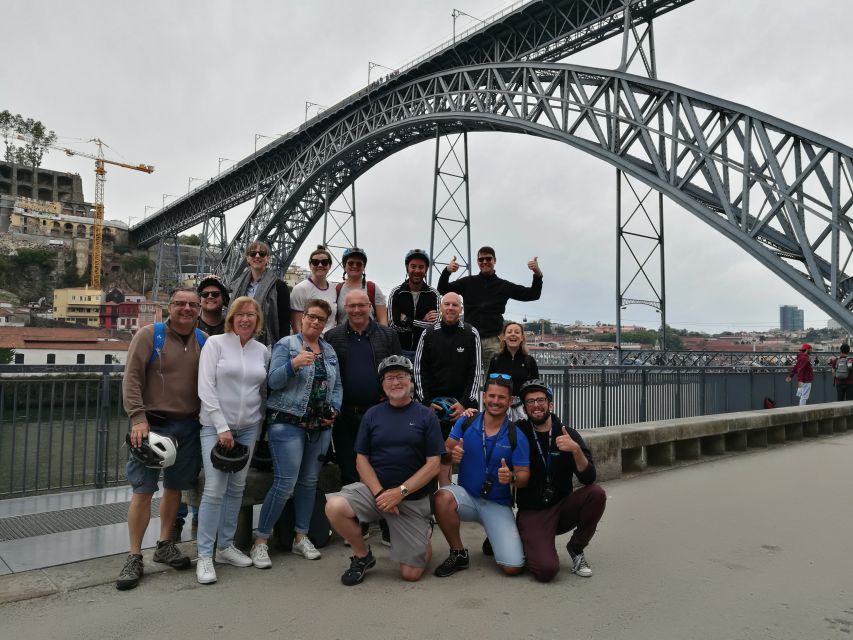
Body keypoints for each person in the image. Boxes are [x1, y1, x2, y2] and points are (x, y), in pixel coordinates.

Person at [326, 355, 444, 586]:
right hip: (376, 493)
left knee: (410, 574)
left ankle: (423, 532)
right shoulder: (372, 414)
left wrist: (399, 492)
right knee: (335, 506)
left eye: (401, 376)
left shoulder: (426, 416)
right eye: (389, 378)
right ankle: (362, 555)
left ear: (411, 382)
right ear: (382, 384)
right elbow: (361, 460)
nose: (395, 382)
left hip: (410, 499)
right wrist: (381, 494)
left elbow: (434, 464)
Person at [116, 288, 205, 591]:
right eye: (180, 303)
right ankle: (134, 555)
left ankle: (165, 544)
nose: (187, 309)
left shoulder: (204, 341)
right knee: (142, 490)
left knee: (174, 489)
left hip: (188, 427)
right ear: (170, 307)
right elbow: (131, 378)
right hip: (151, 426)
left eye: (193, 304)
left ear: (199, 308)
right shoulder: (148, 335)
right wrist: (137, 418)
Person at [251, 298, 342, 568]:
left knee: (308, 483)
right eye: (311, 316)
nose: (315, 322)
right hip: (287, 423)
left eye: (321, 319)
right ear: (302, 318)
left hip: (319, 427)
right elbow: (273, 382)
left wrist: (335, 408)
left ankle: (300, 537)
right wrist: (294, 365)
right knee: (285, 483)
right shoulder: (287, 345)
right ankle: (260, 541)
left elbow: (337, 387)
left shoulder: (329, 350)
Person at [195, 296, 270, 584]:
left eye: (251, 314)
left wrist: (258, 424)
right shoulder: (215, 344)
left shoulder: (261, 350)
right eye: (240, 314)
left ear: (257, 319)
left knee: (237, 487)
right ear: (232, 318)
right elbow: (206, 387)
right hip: (216, 428)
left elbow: (261, 391)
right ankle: (204, 554)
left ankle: (226, 546)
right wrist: (222, 427)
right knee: (214, 488)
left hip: (249, 427)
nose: (245, 319)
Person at [432, 375, 530, 577]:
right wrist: (451, 455)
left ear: (510, 401)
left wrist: (511, 477)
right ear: (484, 397)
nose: (495, 401)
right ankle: (458, 553)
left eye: (502, 397)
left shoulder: (516, 435)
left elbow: (524, 476)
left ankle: (496, 535)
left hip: (496, 503)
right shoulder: (466, 421)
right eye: (491, 396)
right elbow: (443, 456)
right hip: (467, 498)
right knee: (441, 499)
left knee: (513, 567)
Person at [515, 379, 606, 582]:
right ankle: (526, 540)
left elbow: (589, 477)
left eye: (540, 400)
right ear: (524, 408)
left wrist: (575, 450)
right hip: (533, 511)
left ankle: (576, 548)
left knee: (596, 494)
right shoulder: (518, 431)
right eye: (530, 402)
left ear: (550, 404)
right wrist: (466, 415)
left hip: (562, 506)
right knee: (546, 571)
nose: (536, 405)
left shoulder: (567, 433)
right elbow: (491, 425)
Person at [171, 273, 231, 542]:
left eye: (214, 295)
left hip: (215, 413)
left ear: (223, 299)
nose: (209, 298)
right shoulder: (187, 329)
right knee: (183, 467)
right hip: (187, 409)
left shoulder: (229, 332)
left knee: (205, 469)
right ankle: (175, 521)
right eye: (204, 295)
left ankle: (199, 522)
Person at [325, 290, 402, 489]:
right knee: (348, 470)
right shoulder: (332, 337)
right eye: (352, 306)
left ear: (370, 307)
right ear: (345, 308)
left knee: (382, 467)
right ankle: (354, 518)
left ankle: (383, 516)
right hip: (345, 415)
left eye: (361, 305)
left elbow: (399, 374)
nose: (357, 310)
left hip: (379, 412)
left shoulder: (388, 335)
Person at [438, 246, 542, 370]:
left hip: (494, 340)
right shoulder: (468, 282)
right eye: (481, 259)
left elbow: (532, 294)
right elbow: (442, 289)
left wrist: (537, 274)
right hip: (469, 338)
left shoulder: (503, 286)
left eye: (488, 259)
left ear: (494, 260)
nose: (485, 262)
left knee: (494, 379)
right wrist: (447, 271)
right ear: (477, 262)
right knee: (465, 375)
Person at [414, 292, 483, 435]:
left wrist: (464, 403)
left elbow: (476, 372)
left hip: (464, 407)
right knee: (433, 453)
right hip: (433, 407)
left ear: (461, 309)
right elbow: (419, 371)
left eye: (455, 305)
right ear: (440, 307)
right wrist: (426, 403)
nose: (450, 308)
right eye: (447, 304)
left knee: (464, 452)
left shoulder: (471, 333)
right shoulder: (428, 334)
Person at [230, 240, 291, 346]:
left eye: (262, 254)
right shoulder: (236, 285)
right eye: (253, 254)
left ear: (267, 258)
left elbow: (284, 322)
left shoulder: (279, 286)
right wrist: (212, 280)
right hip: (237, 341)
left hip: (267, 344)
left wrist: (282, 348)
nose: (257, 256)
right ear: (247, 258)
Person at [388, 249, 440, 361]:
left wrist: (407, 320)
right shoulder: (396, 293)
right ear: (407, 268)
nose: (417, 270)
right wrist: (423, 321)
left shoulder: (433, 294)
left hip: (425, 351)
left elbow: (435, 326)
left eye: (421, 267)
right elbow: (394, 325)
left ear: (426, 269)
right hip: (399, 351)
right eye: (413, 266)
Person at [488, 321, 539, 421]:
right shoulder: (495, 360)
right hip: (500, 407)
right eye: (509, 332)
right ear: (503, 337)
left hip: (523, 409)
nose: (513, 334)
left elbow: (536, 387)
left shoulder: (529, 361)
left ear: (522, 337)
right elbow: (488, 385)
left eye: (517, 332)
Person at [290, 245, 337, 335]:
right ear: (310, 265)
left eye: (324, 262)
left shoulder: (333, 288)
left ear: (330, 265)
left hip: (330, 343)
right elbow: (297, 326)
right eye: (315, 262)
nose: (320, 265)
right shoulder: (300, 289)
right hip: (309, 344)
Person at [334, 247, 388, 326]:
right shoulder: (337, 289)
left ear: (363, 267)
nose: (355, 266)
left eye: (359, 264)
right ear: (344, 266)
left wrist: (383, 337)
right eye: (351, 263)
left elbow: (383, 320)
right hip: (342, 337)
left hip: (370, 337)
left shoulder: (373, 288)